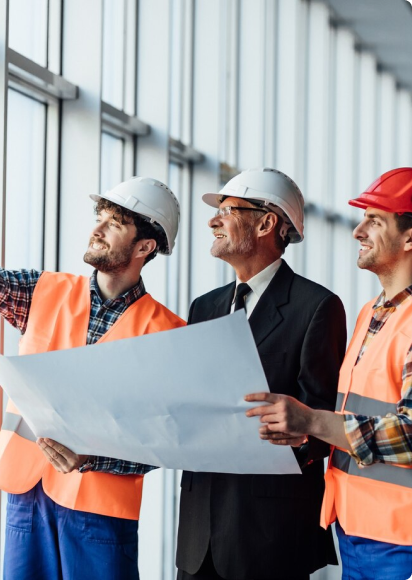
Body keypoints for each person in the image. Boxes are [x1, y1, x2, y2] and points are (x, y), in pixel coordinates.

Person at [0, 176, 185, 580]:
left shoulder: (169, 332)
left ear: (144, 247)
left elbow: (167, 439)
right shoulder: (44, 291)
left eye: (115, 222)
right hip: (27, 494)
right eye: (99, 216)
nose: (97, 229)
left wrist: (94, 458)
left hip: (99, 509)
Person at [176, 167, 347, 580]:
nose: (214, 220)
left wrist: (299, 434)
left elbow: (324, 418)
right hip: (200, 534)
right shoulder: (204, 306)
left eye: (227, 210)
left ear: (267, 222)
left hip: (270, 533)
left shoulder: (317, 307)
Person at [246, 167, 412, 578]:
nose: (358, 231)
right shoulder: (370, 315)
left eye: (375, 221)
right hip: (356, 527)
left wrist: (310, 419)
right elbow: (356, 413)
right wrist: (305, 431)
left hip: (401, 539)